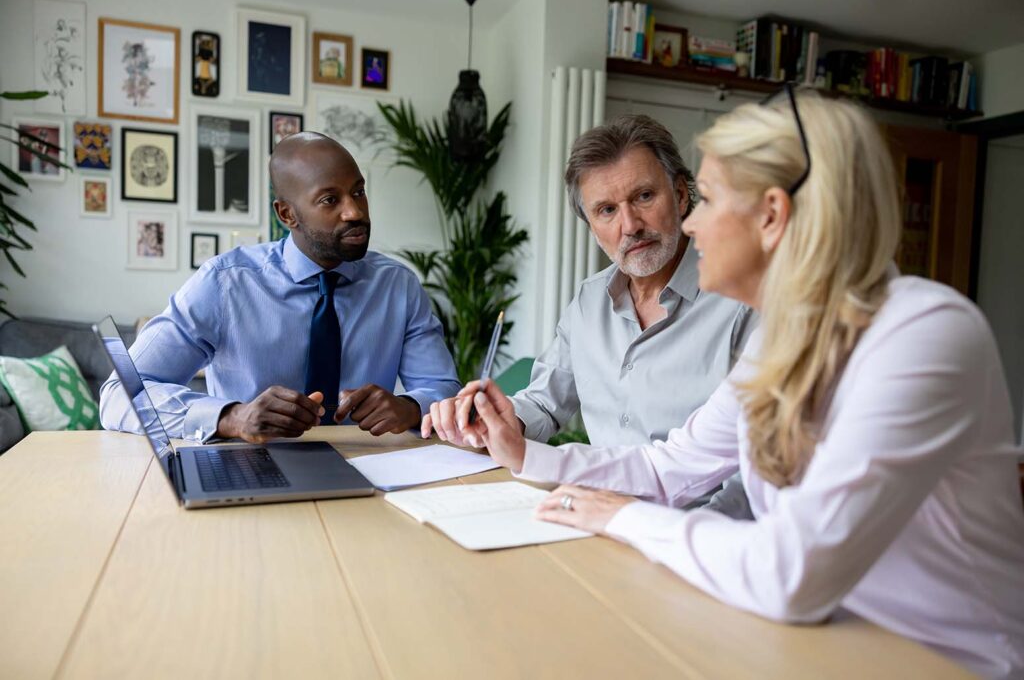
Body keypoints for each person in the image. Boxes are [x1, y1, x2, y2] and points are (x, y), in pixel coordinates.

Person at [459, 90, 1024, 678]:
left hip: (945, 661)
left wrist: (621, 517)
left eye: (707, 198)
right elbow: (666, 468)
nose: (692, 220)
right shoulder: (783, 336)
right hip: (812, 637)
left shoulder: (922, 333)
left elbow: (792, 571)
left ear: (772, 216)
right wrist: (525, 456)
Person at [423, 114, 754, 515]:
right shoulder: (590, 300)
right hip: (598, 510)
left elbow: (749, 469)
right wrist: (494, 421)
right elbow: (544, 403)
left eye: (644, 197)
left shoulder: (741, 299)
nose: (630, 225)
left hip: (695, 536)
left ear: (681, 196)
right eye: (607, 210)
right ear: (591, 226)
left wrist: (674, 538)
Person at [100, 132, 461, 443]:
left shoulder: (399, 287)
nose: (354, 212)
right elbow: (119, 393)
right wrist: (232, 417)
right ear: (287, 215)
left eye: (359, 192)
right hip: (251, 467)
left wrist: (409, 407)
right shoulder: (225, 284)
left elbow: (443, 391)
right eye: (330, 200)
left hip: (370, 472)